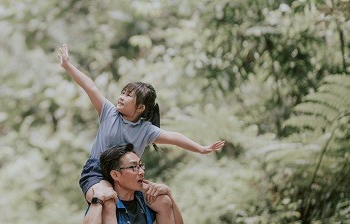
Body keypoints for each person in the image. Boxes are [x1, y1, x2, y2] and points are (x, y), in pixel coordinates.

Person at [57, 43, 225, 223]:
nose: (121, 96)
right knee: (109, 200)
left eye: (129, 95)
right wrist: (67, 65)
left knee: (162, 201)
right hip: (97, 172)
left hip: (128, 175)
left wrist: (200, 148)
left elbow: (175, 137)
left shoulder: (146, 130)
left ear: (140, 108)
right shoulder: (109, 112)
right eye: (123, 92)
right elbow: (90, 87)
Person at [84, 143, 182, 224]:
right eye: (133, 167)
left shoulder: (149, 201)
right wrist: (96, 201)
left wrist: (169, 193)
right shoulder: (104, 204)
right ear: (115, 175)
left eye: (140, 165)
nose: (141, 172)